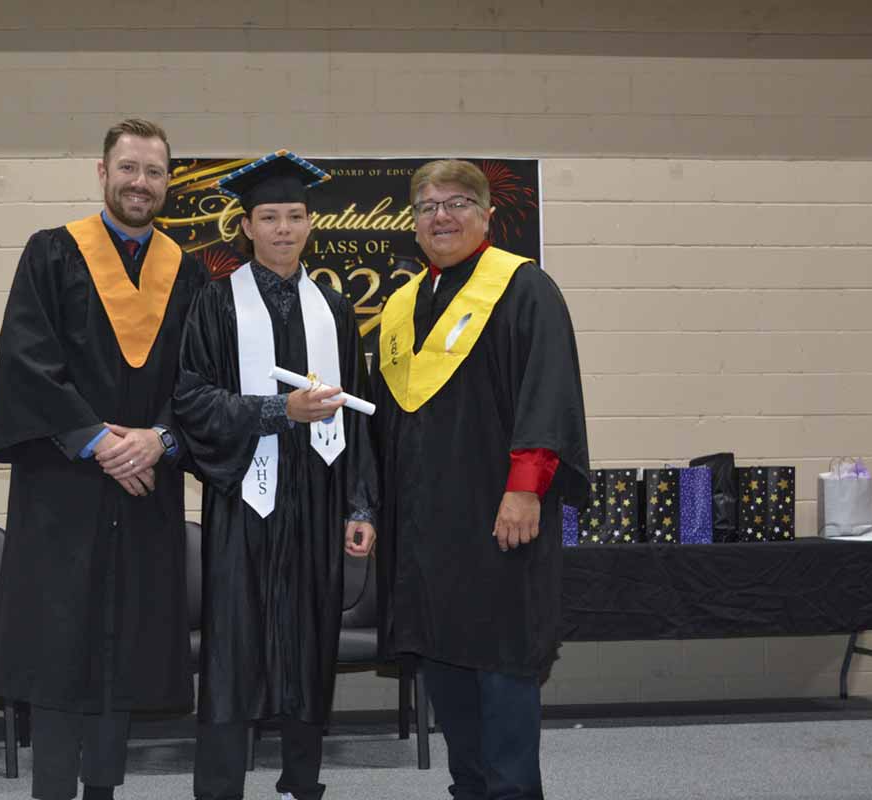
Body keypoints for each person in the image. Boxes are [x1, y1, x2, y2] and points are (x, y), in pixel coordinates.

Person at [0, 118, 208, 800]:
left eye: (155, 171)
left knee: (127, 651)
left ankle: (105, 790)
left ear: (169, 181)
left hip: (146, 493)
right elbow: (28, 361)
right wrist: (99, 440)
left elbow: (202, 379)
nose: (141, 183)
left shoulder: (190, 272)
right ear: (102, 172)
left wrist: (162, 438)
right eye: (129, 168)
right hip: (64, 489)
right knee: (57, 649)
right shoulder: (51, 254)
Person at [372, 159, 590, 800]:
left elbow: (546, 393)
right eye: (427, 206)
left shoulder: (524, 289)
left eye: (458, 202)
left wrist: (525, 488)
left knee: (501, 668)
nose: (442, 216)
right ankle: (469, 789)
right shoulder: (406, 304)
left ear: (488, 214)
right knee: (444, 666)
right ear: (413, 223)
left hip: (499, 520)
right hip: (424, 527)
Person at [173, 151, 378, 800]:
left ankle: (301, 780)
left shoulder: (335, 311)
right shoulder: (215, 305)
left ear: (311, 224)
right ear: (248, 227)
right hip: (244, 495)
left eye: (295, 216)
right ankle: (220, 788)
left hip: (318, 500)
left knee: (309, 639)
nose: (283, 228)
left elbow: (357, 416)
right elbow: (191, 402)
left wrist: (360, 506)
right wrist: (276, 410)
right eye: (270, 217)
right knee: (234, 650)